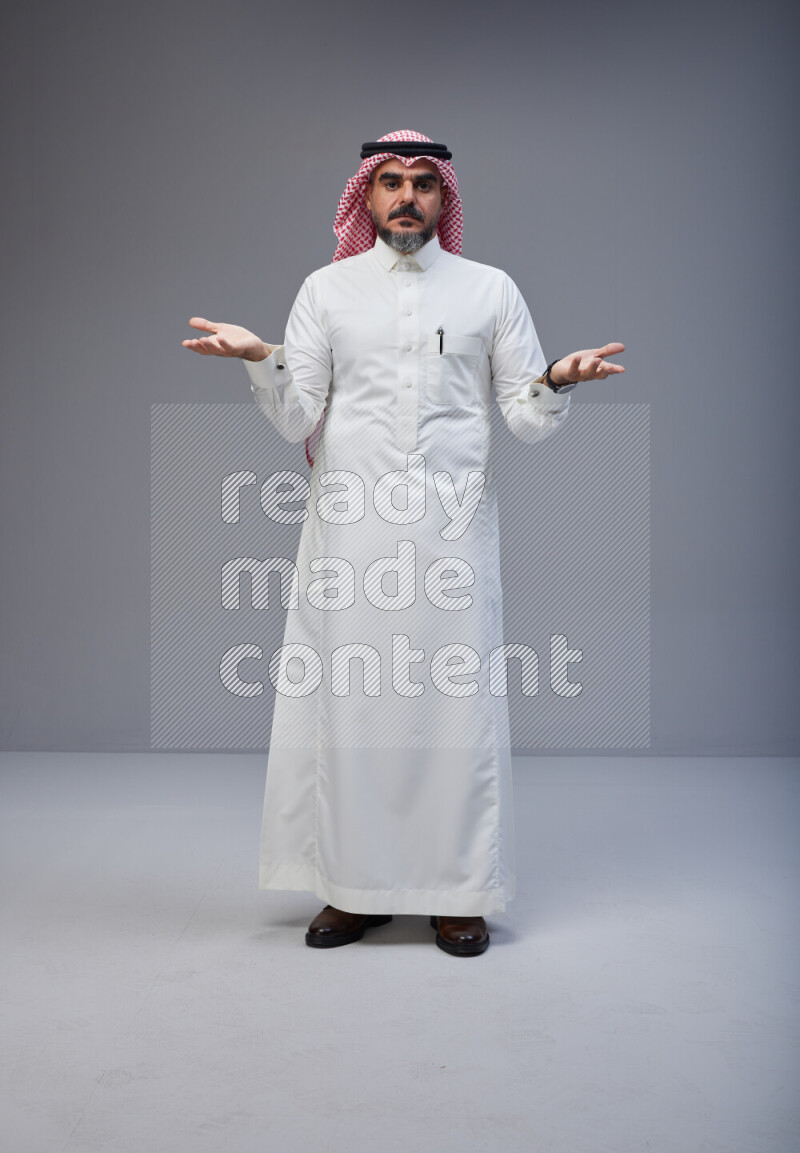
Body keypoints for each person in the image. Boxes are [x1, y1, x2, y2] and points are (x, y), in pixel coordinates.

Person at [183, 130, 625, 957]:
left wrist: (560, 380)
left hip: (453, 538)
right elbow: (294, 417)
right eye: (390, 182)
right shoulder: (326, 290)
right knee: (350, 709)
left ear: (445, 197)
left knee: (452, 711)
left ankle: (458, 893)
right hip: (350, 537)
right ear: (368, 195)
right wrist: (259, 359)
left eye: (423, 182)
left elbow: (525, 419)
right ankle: (351, 891)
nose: (407, 196)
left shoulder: (490, 290)